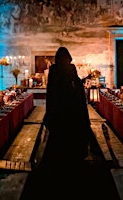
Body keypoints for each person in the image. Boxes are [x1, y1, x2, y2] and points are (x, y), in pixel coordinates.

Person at [39, 46, 92, 197]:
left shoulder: (64, 71)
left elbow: (76, 90)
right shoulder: (58, 72)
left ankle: (66, 176)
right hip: (63, 114)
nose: (64, 61)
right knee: (62, 147)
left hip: (70, 114)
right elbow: (56, 93)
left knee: (66, 147)